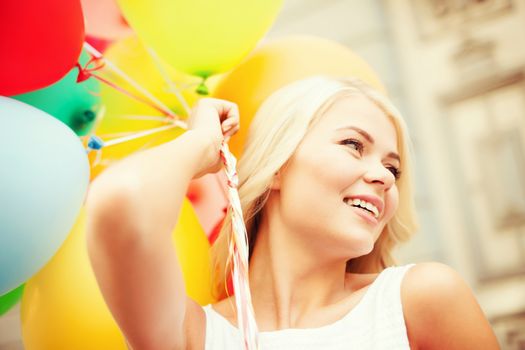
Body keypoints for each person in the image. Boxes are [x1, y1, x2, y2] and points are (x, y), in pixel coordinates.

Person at [86, 76, 500, 349]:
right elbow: (121, 204)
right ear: (277, 166)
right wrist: (201, 144)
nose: (384, 178)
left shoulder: (417, 300)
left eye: (393, 168)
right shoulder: (196, 335)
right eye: (354, 145)